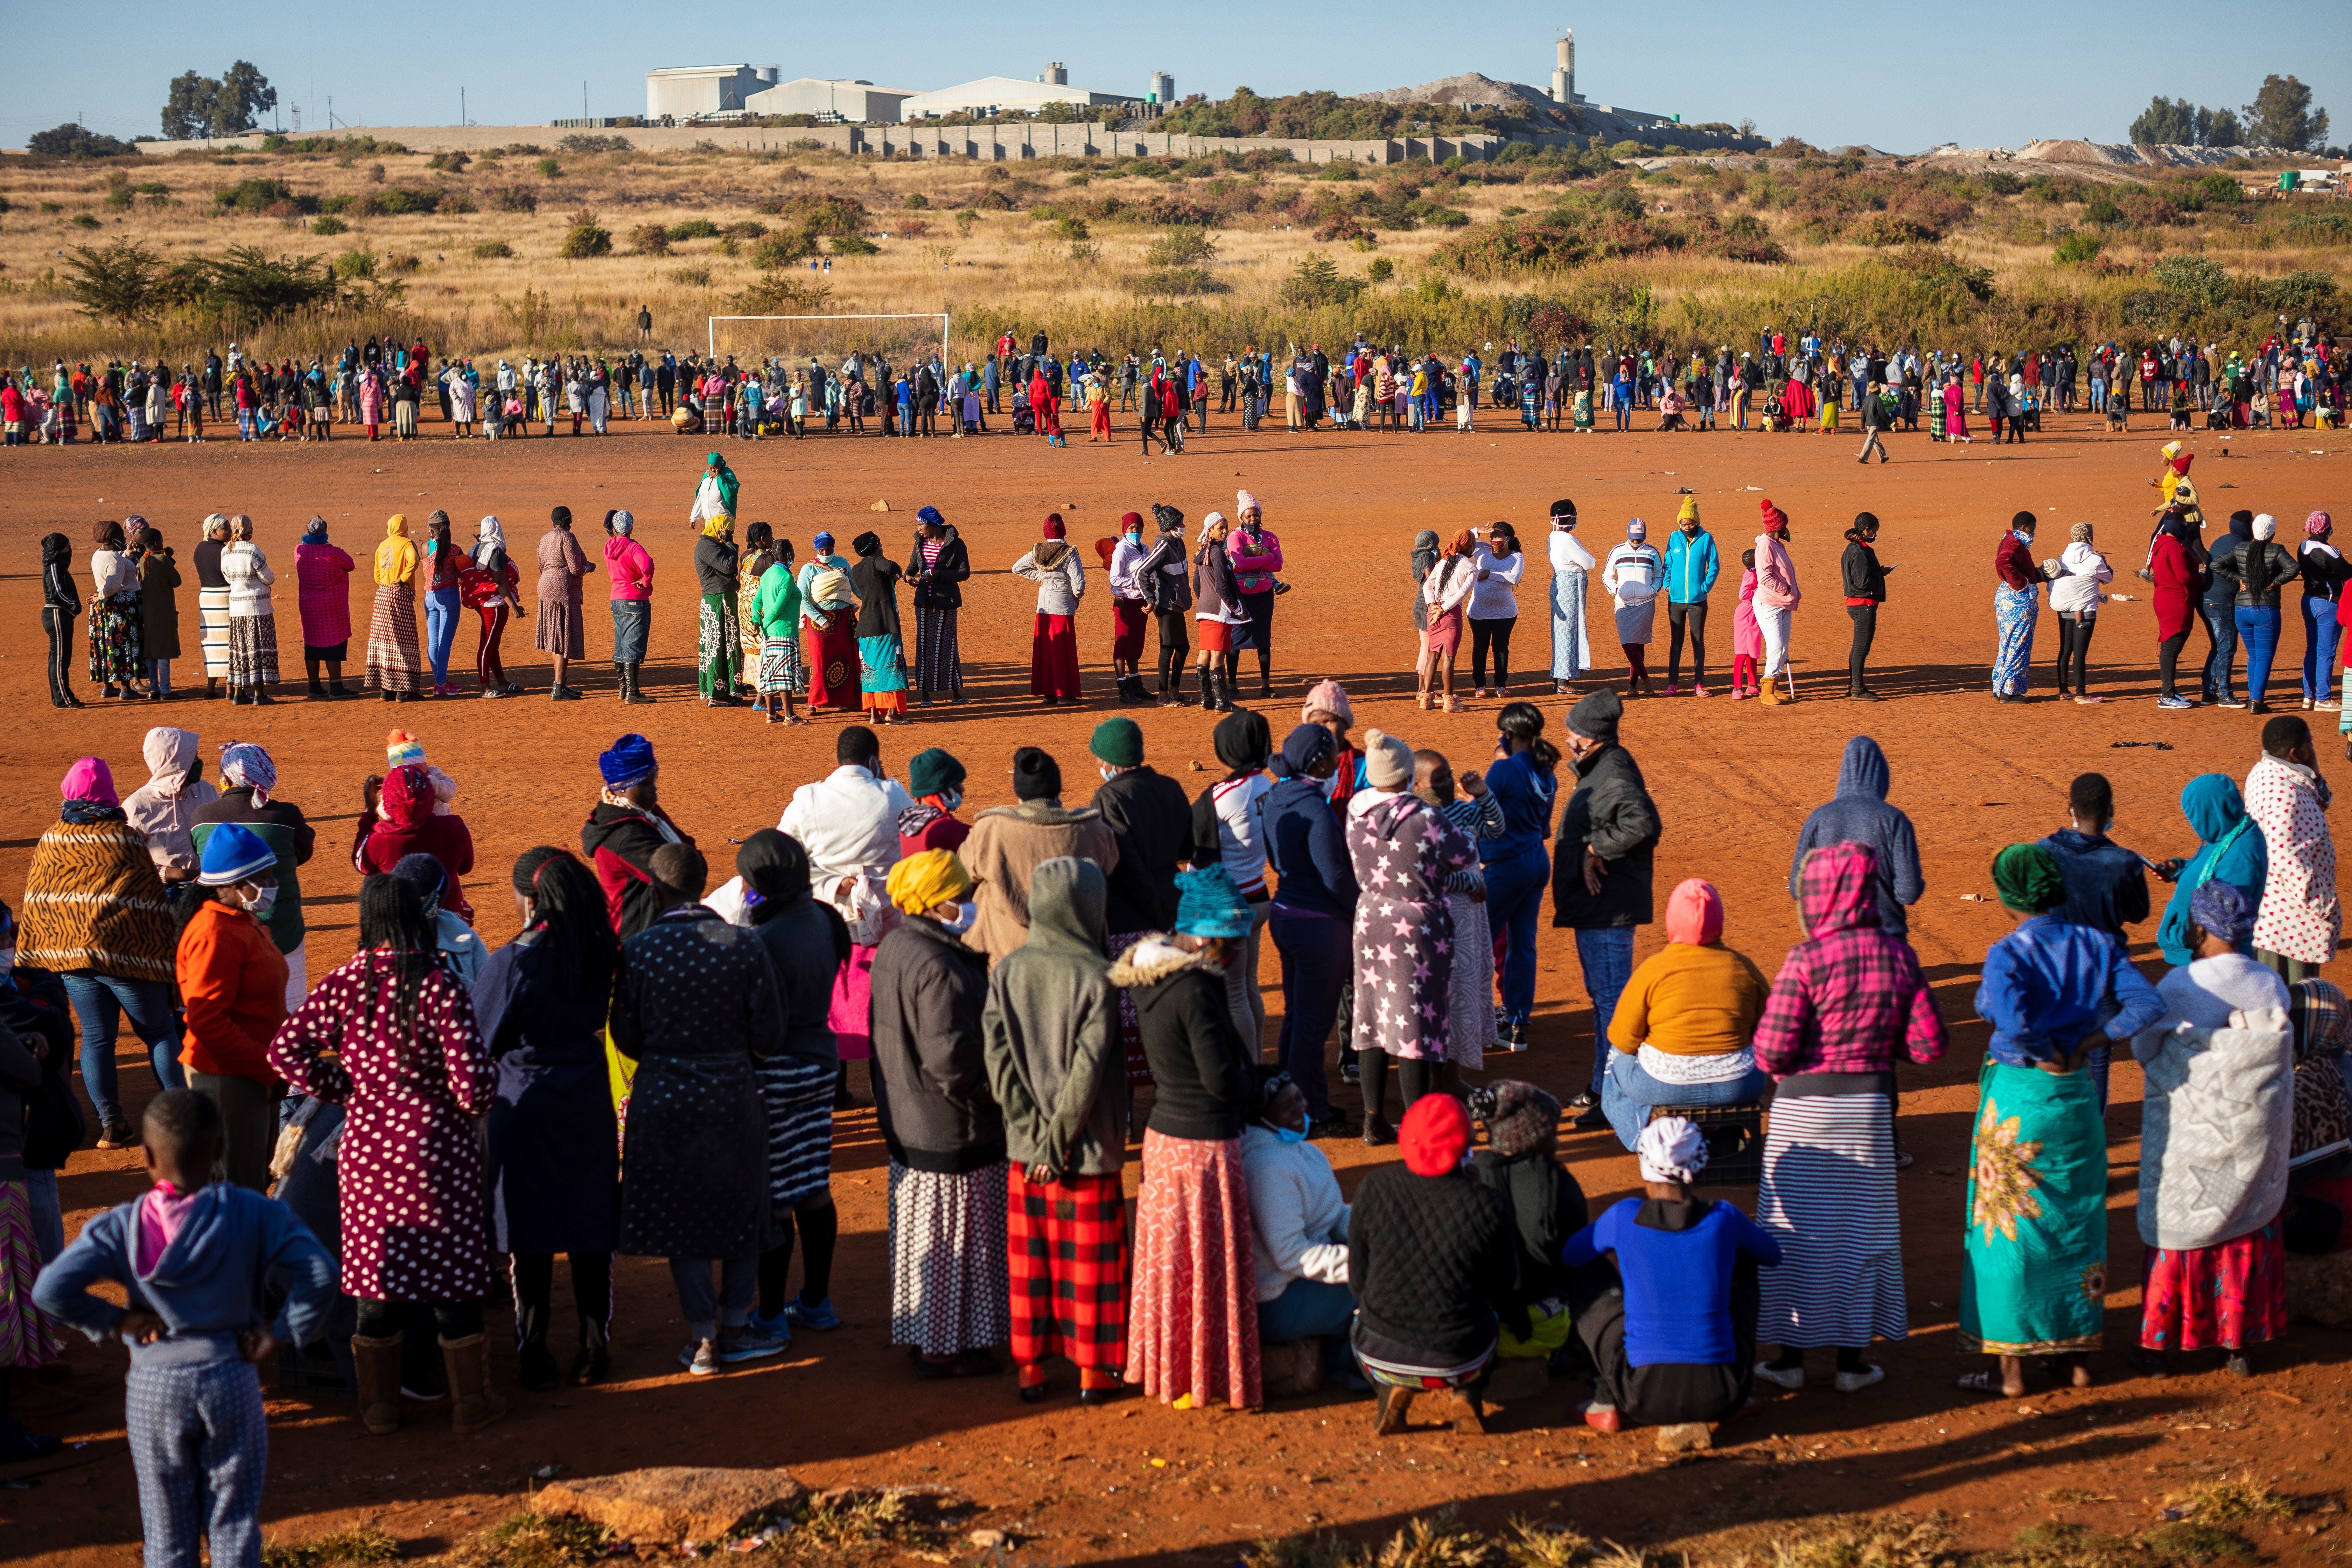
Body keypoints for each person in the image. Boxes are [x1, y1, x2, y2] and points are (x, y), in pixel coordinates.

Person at [34, 1089, 336, 1561]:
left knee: (167, 1529)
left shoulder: (121, 1226)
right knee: (234, 1523)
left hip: (156, 1388)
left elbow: (51, 1291)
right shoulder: (254, 1212)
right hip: (231, 1378)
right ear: (220, 1150)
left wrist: (120, 1320)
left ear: (148, 1155)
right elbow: (318, 1272)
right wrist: (281, 1332)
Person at [269, 875, 503, 1434]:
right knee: (452, 1277)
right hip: (439, 1152)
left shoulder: (346, 982)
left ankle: (377, 1409)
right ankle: (470, 1405)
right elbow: (474, 1088)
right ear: (418, 917)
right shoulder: (440, 986)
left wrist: (344, 1088)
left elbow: (285, 1052)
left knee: (374, 1276)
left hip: (369, 1151)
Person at [1959, 844, 2163, 1397]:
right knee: (2076, 1225)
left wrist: (2041, 1044)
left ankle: (2010, 1370)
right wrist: (2091, 1041)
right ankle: (2076, 1361)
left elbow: (2004, 1015)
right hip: (2076, 1099)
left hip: (2021, 1101)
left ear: (2007, 897)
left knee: (2009, 1232)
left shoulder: (2007, 952)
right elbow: (2147, 1006)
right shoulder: (2096, 944)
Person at [1751, 843, 1951, 1394]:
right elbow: (1930, 1045)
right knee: (1859, 1238)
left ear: (1819, 896)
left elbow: (1771, 1055)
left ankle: (1789, 1360)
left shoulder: (1804, 960)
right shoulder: (1899, 957)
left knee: (1794, 1236)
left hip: (1800, 1113)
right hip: (1867, 1115)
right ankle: (1851, 1364)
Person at [609, 842, 790, 1378]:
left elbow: (625, 1035)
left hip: (664, 1098)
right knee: (744, 1208)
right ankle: (735, 1325)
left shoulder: (638, 952)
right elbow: (771, 1031)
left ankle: (704, 1337)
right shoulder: (741, 943)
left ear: (657, 891)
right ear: (704, 882)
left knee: (679, 1218)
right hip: (734, 1093)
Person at [471, 848, 621, 1389]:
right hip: (586, 1101)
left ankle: (533, 1351)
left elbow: (481, 1039)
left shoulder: (512, 960)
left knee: (527, 1232)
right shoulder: (600, 949)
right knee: (590, 1226)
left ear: (531, 900)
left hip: (524, 1103)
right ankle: (593, 1348)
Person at [1115, 867, 1264, 1410]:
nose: (1231, 957)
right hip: (1204, 1148)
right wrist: (1260, 1090)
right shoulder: (1197, 989)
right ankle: (1207, 1376)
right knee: (1207, 1270)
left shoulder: (1151, 977)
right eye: (1227, 945)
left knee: (1169, 1264)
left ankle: (1165, 1368)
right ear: (1203, 935)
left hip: (1164, 1141)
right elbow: (1222, 1078)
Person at [981, 857, 1128, 1404]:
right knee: (1090, 1264)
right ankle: (1092, 1373)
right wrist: (1059, 1140)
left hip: (1026, 1152)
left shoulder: (1008, 971)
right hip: (1087, 1152)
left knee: (1033, 1264)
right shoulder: (1098, 975)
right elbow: (1088, 1071)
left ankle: (1031, 1373)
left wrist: (1035, 1138)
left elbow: (999, 1064)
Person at [2132, 882, 2293, 1379]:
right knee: (2243, 1225)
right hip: (2250, 1141)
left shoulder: (2179, 988)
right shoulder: (2270, 985)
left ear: (2198, 928)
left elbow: (2145, 1051)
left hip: (2189, 1139)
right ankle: (2236, 1343)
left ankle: (2158, 1347)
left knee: (2180, 1230)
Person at [868, 850, 1007, 1379]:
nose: (970, 904)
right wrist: (1002, 1089)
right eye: (963, 896)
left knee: (930, 1242)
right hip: (953, 1128)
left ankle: (933, 1335)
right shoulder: (941, 967)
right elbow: (953, 1064)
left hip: (912, 1121)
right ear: (940, 903)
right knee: (959, 1245)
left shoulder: (897, 946)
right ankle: (947, 1350)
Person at [1563, 1117, 1782, 1434]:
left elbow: (1572, 1256)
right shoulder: (1725, 1217)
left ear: (1644, 1165)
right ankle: (1741, 1398)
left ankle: (1605, 1402)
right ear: (1700, 1167)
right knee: (1745, 1262)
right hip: (1725, 1394)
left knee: (1587, 1272)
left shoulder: (1624, 1216)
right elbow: (1772, 1255)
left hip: (1641, 1397)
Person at [19, 758, 184, 1150]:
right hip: (130, 959)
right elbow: (153, 903)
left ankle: (113, 1125)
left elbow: (41, 902)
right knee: (159, 1031)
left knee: (97, 1038)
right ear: (108, 793)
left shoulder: (51, 840)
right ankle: (181, 1117)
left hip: (73, 959)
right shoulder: (125, 839)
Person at [732, 832, 851, 1341]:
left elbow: (754, 1016)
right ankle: (817, 1302)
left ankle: (771, 1315)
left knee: (777, 1195)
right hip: (821, 1064)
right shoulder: (825, 921)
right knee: (815, 1187)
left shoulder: (762, 940)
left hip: (775, 1069)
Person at [1346, 1094, 1516, 1435]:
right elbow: (1503, 1285)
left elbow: (1358, 1282)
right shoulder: (1488, 1201)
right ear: (1465, 1143)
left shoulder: (1375, 1187)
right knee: (1490, 1323)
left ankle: (1391, 1389)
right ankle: (1467, 1393)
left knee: (1363, 1325)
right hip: (1462, 1356)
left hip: (1381, 1352)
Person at [1345, 730, 1476, 1140]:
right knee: (1414, 1021)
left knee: (1370, 1019)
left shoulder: (1356, 811)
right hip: (1418, 926)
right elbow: (1465, 854)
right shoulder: (1426, 818)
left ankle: (1373, 1120)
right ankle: (1418, 1127)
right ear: (1408, 776)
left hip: (1370, 917)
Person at [778, 726, 916, 1096]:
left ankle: (836, 1088)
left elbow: (784, 855)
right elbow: (912, 836)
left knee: (831, 1001)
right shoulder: (893, 795)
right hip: (886, 920)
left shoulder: (808, 799)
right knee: (881, 1001)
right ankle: (881, 1086)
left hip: (828, 919)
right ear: (875, 761)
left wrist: (827, 883)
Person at [1550, 690, 1661, 1125]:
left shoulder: (1613, 775)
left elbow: (1644, 824)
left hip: (1609, 909)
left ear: (1589, 738)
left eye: (1572, 732)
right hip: (1598, 906)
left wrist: (1598, 846)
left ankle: (1620, 1101)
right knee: (1603, 1000)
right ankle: (1603, 1087)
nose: (1567, 739)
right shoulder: (1604, 766)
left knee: (1613, 1004)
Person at [1601, 878, 1771, 1150]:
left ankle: (1640, 1139)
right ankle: (1722, 1132)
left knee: (1614, 1055)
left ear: (1671, 921)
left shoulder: (1654, 969)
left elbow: (1623, 1039)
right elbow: (1768, 1033)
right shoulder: (1744, 968)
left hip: (1664, 1085)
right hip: (1738, 1086)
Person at [172, 825, 287, 1193]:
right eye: (263, 877)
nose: (272, 883)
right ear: (236, 884)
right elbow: (208, 1021)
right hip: (228, 1077)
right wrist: (267, 1067)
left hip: (253, 1073)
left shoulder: (245, 922)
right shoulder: (215, 934)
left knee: (254, 1178)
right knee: (237, 1189)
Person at [1468, 1080, 1609, 1362]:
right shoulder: (1556, 1181)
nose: (1557, 1141)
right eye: (1551, 1133)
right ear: (1528, 1138)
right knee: (1598, 1265)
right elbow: (1574, 1255)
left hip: (1476, 1333)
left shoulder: (1470, 1177)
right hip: (1545, 1330)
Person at [1264, 725, 1359, 1135]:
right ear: (1318, 762)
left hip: (1285, 914)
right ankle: (1312, 1112)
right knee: (1313, 1026)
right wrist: (1362, 909)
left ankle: (1295, 1101)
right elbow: (1335, 876)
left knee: (1297, 1018)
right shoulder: (1318, 810)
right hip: (1320, 927)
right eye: (1334, 757)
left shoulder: (1275, 798)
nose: (1339, 763)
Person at [1244, 1070, 1359, 1390]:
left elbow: (1334, 1215)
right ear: (1262, 1118)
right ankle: (1354, 1371)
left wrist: (1374, 1236)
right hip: (1280, 1297)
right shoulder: (1267, 1168)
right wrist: (1364, 1264)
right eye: (1287, 1105)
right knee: (1385, 1288)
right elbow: (1292, 1255)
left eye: (1299, 1098)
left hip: (1305, 1280)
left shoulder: (1306, 1152)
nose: (1300, 1108)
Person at [962, 748, 1118, 962]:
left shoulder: (990, 830)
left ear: (1019, 793)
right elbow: (1110, 869)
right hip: (1078, 956)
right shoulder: (1094, 830)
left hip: (1005, 956)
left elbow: (963, 879)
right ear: (1058, 789)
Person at [1786, 736, 1924, 940]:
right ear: (1882, 777)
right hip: (1886, 937)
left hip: (1829, 938)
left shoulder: (1819, 818)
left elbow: (1798, 888)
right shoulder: (1894, 819)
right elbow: (1908, 892)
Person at [1413, 747, 1499, 1070]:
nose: (1449, 782)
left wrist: (1483, 795)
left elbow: (1496, 829)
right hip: (1439, 917)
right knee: (1446, 988)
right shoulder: (1416, 820)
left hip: (1470, 917)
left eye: (1449, 774)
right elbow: (1430, 876)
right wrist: (1472, 883)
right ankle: (1442, 1066)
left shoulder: (1464, 811)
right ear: (1417, 783)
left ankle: (1454, 1066)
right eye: (1439, 778)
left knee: (1468, 980)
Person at [1195, 709, 1276, 1051]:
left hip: (1228, 907)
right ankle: (1256, 1064)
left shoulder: (1224, 794)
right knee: (1249, 987)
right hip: (1257, 894)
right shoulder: (1266, 785)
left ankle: (1249, 1073)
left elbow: (1195, 849)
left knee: (1232, 997)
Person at [2247, 715, 2339, 983]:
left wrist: (2313, 769)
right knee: (2293, 1003)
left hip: (2277, 916)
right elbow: (2286, 859)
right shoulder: (2286, 795)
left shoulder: (2267, 771)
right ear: (2296, 753)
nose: (2315, 748)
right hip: (2291, 923)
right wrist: (2324, 907)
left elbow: (2322, 800)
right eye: (2310, 744)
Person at [580, 734, 696, 939]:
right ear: (622, 788)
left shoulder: (646, 813)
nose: (654, 788)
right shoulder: (625, 836)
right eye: (645, 783)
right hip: (638, 936)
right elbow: (682, 875)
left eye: (654, 781)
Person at [2156, 775, 2268, 967]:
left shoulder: (2241, 856)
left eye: (2196, 816)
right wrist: (2181, 868)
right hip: (2199, 952)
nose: (2195, 825)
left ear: (2211, 811)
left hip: (2210, 959)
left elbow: (2223, 913)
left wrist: (2185, 934)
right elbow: (2210, 865)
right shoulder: (2230, 834)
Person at [2211, 513, 2300, 714]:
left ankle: (2255, 695)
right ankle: (2257, 701)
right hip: (2266, 611)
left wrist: (2237, 579)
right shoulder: (2276, 550)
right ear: (2273, 533)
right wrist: (2275, 583)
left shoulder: (2241, 548)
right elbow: (2293, 568)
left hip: (2242, 611)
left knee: (2253, 656)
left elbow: (2217, 565)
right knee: (2264, 658)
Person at [123, 727, 220, 885]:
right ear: (172, 762)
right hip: (166, 894)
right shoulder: (137, 807)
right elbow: (129, 864)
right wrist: (174, 874)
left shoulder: (206, 790)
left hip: (212, 887)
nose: (198, 762)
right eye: (191, 757)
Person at [1014, 515, 1086, 707]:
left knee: (1046, 650)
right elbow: (1078, 584)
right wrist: (1075, 598)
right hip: (1062, 604)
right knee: (1062, 650)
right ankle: (1064, 695)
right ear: (1064, 530)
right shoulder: (1069, 552)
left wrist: (1042, 577)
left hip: (1043, 604)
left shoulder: (1038, 550)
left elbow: (1017, 568)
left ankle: (1049, 694)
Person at [908, 505, 969, 705]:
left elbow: (964, 573)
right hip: (924, 602)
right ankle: (925, 695)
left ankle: (956, 694)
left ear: (933, 525)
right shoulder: (920, 543)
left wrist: (940, 575)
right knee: (925, 647)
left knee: (948, 646)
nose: (919, 528)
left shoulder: (956, 545)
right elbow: (912, 566)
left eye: (921, 524)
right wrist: (909, 577)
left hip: (946, 602)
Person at [2047, 522, 2113, 704]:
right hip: (2085, 612)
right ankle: (2082, 695)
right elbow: (2108, 578)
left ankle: (2063, 691)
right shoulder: (2095, 560)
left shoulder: (2062, 559)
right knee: (2080, 654)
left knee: (2065, 650)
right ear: (2089, 537)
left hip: (2064, 609)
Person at [534, 506, 595, 702]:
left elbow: (542, 566)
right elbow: (576, 569)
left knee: (555, 637)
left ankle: (560, 685)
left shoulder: (545, 539)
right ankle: (559, 689)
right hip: (563, 591)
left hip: (545, 587)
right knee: (562, 639)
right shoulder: (567, 538)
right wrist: (589, 567)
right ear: (569, 521)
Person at [363, 514, 425, 703]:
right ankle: (404, 692)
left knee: (384, 642)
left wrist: (387, 581)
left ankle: (386, 691)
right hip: (400, 595)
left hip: (382, 595)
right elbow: (414, 561)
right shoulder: (407, 544)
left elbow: (376, 575)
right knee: (403, 640)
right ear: (405, 527)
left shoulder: (382, 545)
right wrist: (403, 579)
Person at [2150, 498, 2206, 710]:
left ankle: (2170, 692)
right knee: (2172, 647)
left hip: (2165, 598)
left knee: (2170, 646)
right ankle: (2167, 694)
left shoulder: (2160, 543)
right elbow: (2183, 577)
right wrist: (2201, 578)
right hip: (2175, 600)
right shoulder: (2173, 547)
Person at [848, 531, 909, 724]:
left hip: (866, 626)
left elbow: (876, 589)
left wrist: (892, 579)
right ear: (876, 547)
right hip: (884, 624)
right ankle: (892, 712)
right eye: (880, 544)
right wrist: (897, 572)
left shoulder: (856, 569)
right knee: (892, 667)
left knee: (870, 671)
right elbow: (891, 566)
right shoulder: (877, 562)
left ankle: (874, 714)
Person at [294, 519, 357, 699]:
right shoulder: (334, 553)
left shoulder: (299, 551)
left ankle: (314, 686)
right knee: (333, 644)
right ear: (325, 531)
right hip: (331, 606)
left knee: (311, 644)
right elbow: (351, 565)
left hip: (308, 605)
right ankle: (336, 687)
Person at [1227, 494, 1283, 699]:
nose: (1253, 519)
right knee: (1236, 639)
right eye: (1248, 516)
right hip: (1241, 596)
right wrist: (1267, 557)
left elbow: (1278, 565)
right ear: (1241, 517)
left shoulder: (1270, 537)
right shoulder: (1235, 537)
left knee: (1263, 639)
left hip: (1264, 595)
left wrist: (1257, 558)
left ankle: (1266, 686)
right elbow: (1239, 562)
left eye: (1256, 515)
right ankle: (1232, 686)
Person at [1601, 519, 1664, 698]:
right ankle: (1647, 681)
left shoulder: (1652, 552)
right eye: (1634, 538)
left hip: (1645, 604)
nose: (1637, 541)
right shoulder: (1617, 551)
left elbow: (1659, 575)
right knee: (1628, 644)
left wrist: (1652, 591)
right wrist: (1616, 591)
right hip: (1624, 604)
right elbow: (1607, 575)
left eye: (1640, 538)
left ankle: (1632, 686)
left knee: (1639, 645)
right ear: (1628, 534)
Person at [1661, 497, 1717, 696]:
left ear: (1697, 522)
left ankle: (1699, 685)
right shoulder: (1674, 538)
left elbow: (1714, 566)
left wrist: (1705, 587)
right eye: (1683, 524)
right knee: (1676, 644)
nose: (1687, 527)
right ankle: (1672, 685)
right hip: (1675, 601)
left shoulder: (1706, 538)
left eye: (1690, 524)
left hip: (1697, 601)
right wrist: (1667, 584)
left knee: (1697, 642)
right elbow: (1667, 563)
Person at [798, 532, 857, 714]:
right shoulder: (809, 569)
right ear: (816, 550)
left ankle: (846, 700)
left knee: (846, 658)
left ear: (834, 548)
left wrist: (870, 600)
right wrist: (822, 620)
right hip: (818, 622)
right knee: (820, 660)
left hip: (843, 619)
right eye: (821, 550)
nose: (825, 553)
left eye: (829, 549)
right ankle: (815, 702)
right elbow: (802, 599)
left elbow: (853, 585)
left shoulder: (843, 563)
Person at [1420, 529, 1476, 713]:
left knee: (1433, 655)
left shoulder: (1443, 561)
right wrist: (1444, 609)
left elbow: (1428, 585)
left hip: (1432, 612)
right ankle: (1450, 702)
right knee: (1449, 658)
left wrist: (1433, 605)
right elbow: (1462, 593)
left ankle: (1426, 699)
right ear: (1471, 546)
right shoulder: (1471, 567)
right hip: (1450, 614)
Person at [88, 519, 145, 700]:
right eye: (121, 535)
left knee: (108, 645)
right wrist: (101, 595)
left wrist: (127, 556)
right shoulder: (114, 559)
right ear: (113, 538)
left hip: (105, 609)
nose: (124, 538)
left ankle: (108, 686)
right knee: (123, 646)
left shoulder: (98, 555)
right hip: (120, 608)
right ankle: (126, 689)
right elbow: (112, 586)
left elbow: (117, 569)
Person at [1837, 513, 1891, 701]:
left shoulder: (1853, 549)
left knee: (1858, 648)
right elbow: (1862, 582)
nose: (1875, 534)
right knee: (1861, 648)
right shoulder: (1859, 552)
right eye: (1874, 531)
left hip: (1858, 604)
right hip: (1863, 605)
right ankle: (1858, 689)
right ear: (1866, 530)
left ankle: (1855, 686)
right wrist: (1881, 574)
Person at [602, 510, 653, 705]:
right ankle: (633, 692)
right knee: (633, 644)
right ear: (631, 528)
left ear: (614, 529)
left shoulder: (609, 546)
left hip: (617, 599)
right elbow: (647, 565)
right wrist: (645, 580)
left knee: (621, 642)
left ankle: (623, 689)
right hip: (635, 599)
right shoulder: (633, 547)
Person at [1752, 502, 1801, 706]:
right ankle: (1766, 688)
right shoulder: (1765, 546)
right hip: (1770, 603)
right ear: (1778, 527)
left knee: (1783, 647)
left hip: (1783, 603)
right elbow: (1765, 578)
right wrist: (1786, 590)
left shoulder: (1776, 544)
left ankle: (1775, 685)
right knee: (1776, 645)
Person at [693, 515, 744, 707]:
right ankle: (716, 695)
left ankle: (727, 691)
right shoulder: (708, 546)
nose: (730, 533)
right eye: (728, 530)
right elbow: (729, 566)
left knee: (727, 645)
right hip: (718, 601)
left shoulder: (714, 544)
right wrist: (730, 543)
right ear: (720, 529)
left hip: (722, 599)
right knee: (719, 646)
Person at [1546, 501, 1596, 694]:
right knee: (1568, 632)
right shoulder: (1567, 539)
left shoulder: (1553, 536)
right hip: (1569, 587)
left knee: (1563, 632)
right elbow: (1590, 563)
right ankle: (1563, 682)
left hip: (1561, 584)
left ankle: (1561, 676)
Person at [1991, 511, 2042, 703]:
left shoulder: (2009, 539)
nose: (2033, 533)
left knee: (2007, 644)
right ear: (2023, 528)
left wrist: (2037, 575)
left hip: (2007, 600)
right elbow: (2003, 562)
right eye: (2032, 529)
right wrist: (2019, 583)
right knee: (2019, 645)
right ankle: (2010, 692)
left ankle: (2000, 688)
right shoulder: (2015, 543)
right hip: (2018, 602)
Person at [418, 512, 467, 698]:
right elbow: (464, 571)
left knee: (433, 642)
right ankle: (440, 683)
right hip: (449, 597)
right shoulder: (456, 550)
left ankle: (441, 680)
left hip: (430, 596)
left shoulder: (424, 547)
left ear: (432, 529)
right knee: (445, 641)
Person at [2301, 512, 2347, 713]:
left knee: (2312, 650)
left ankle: (2308, 696)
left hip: (2308, 601)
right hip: (2328, 604)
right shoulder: (2330, 551)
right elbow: (2348, 573)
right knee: (2327, 653)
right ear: (2326, 529)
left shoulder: (2303, 546)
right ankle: (2323, 699)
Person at [137, 524, 182, 702]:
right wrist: (168, 558)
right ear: (157, 543)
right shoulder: (162, 560)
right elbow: (176, 581)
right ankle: (166, 690)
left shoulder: (143, 560)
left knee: (152, 651)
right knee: (164, 652)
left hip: (148, 613)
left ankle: (154, 688)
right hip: (163, 612)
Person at [41, 532, 85, 709]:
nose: (70, 550)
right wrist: (74, 606)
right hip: (57, 615)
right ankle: (64, 699)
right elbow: (56, 594)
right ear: (59, 549)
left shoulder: (58, 566)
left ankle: (60, 697)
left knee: (57, 658)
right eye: (67, 546)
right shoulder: (53, 567)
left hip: (60, 615)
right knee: (60, 660)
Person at [192, 514, 232, 699]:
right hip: (224, 599)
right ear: (215, 531)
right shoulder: (225, 551)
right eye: (225, 528)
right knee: (230, 643)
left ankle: (210, 689)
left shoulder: (199, 549)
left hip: (207, 600)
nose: (230, 531)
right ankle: (231, 690)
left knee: (212, 645)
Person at [689, 450, 739, 532]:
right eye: (710, 467)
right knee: (709, 543)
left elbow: (732, 492)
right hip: (709, 521)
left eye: (715, 467)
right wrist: (694, 518)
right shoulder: (707, 477)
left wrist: (719, 478)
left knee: (723, 543)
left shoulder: (728, 475)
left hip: (724, 519)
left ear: (721, 465)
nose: (712, 470)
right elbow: (701, 498)